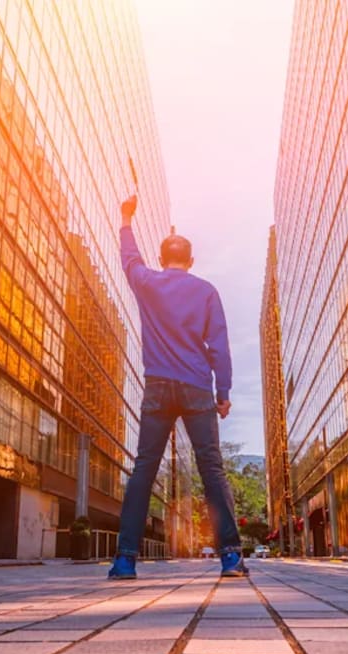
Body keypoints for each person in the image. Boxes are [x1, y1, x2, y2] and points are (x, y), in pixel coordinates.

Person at [108, 194, 247, 580]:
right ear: (190, 261)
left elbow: (129, 260)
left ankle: (124, 561)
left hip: (157, 387)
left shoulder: (147, 282)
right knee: (212, 471)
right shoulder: (206, 291)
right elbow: (219, 344)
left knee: (143, 470)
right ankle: (231, 557)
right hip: (197, 387)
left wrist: (125, 220)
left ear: (162, 256)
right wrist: (224, 393)